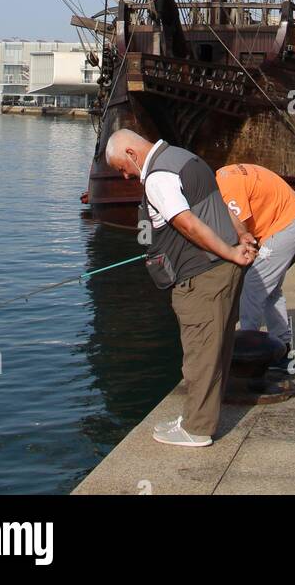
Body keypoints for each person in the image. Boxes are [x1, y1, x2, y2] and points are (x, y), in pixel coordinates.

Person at [105, 129, 256, 448]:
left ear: (132, 154)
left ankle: (196, 428)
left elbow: (187, 223)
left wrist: (228, 252)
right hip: (224, 269)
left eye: (122, 167)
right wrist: (241, 236)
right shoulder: (184, 157)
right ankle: (199, 415)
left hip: (202, 274)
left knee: (200, 351)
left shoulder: (158, 177)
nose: (125, 175)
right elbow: (223, 203)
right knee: (217, 347)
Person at [215, 162, 295, 368]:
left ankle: (248, 351)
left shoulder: (228, 186)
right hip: (289, 218)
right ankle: (282, 348)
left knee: (254, 283)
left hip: (287, 224)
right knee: (271, 288)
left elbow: (241, 229)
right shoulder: (222, 176)